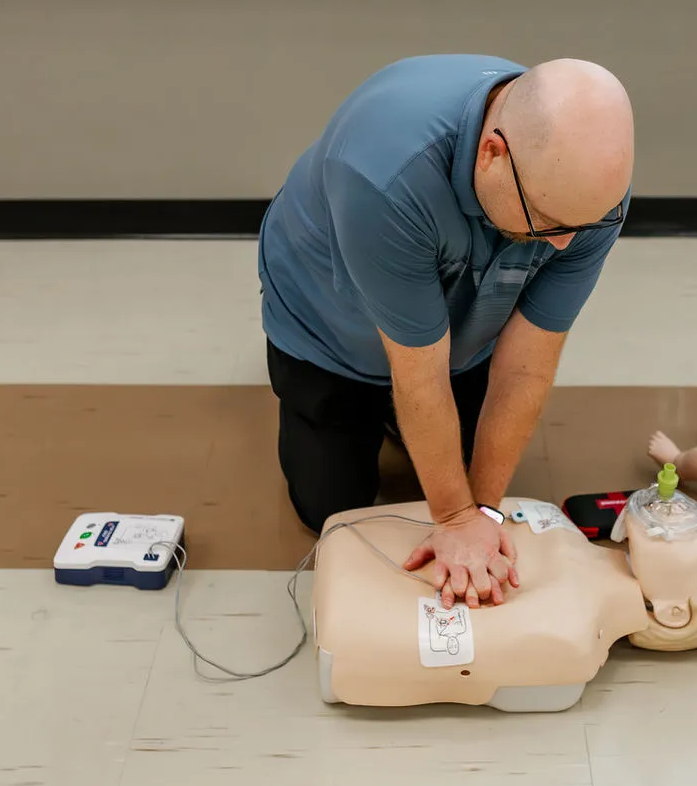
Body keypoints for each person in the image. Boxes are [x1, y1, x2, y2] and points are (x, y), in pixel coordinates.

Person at [257, 53, 635, 611]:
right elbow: (419, 376)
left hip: (462, 332)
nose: (562, 246)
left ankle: (409, 433)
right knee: (331, 513)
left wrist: (478, 515)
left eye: (580, 227)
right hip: (328, 334)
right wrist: (453, 517)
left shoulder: (585, 193)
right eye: (547, 224)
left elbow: (527, 364)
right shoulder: (384, 172)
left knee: (471, 478)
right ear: (492, 155)